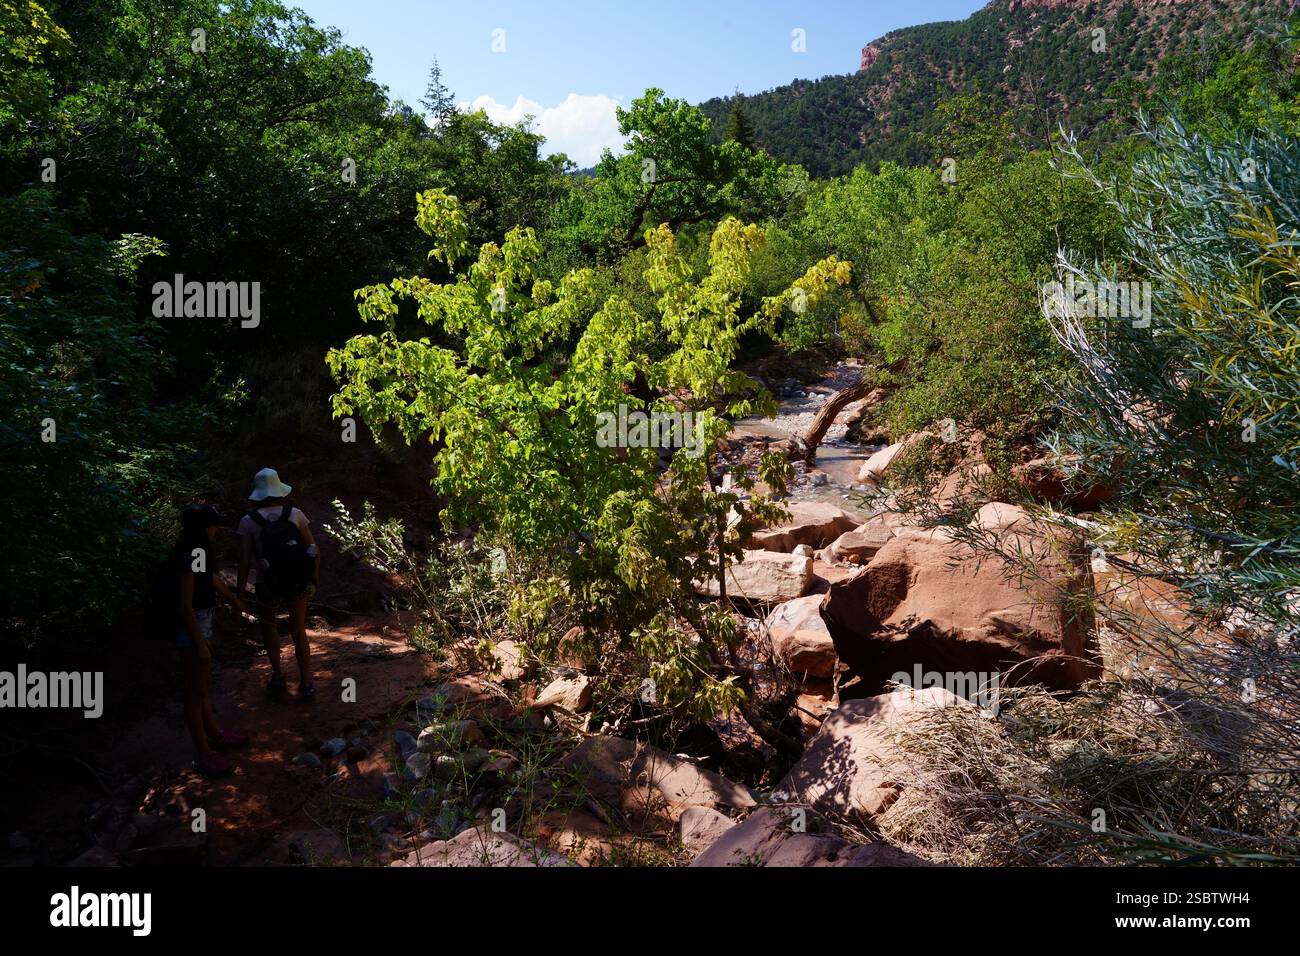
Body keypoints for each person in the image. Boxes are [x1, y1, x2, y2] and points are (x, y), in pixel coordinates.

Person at [175, 503, 248, 777]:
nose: (216, 529)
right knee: (194, 693)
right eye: (213, 525)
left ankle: (214, 735)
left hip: (201, 623)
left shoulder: (197, 552)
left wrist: (233, 599)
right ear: (204, 528)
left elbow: (210, 578)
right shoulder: (187, 555)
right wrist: (201, 644)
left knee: (203, 686)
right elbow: (184, 604)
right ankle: (203, 753)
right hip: (191, 628)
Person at [236, 468, 321, 701]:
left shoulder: (248, 522)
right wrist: (313, 578)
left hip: (266, 583)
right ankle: (306, 683)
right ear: (278, 489)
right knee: (298, 630)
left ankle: (278, 676)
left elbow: (244, 561)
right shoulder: (295, 514)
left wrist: (240, 592)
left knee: (269, 628)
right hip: (297, 581)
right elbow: (313, 549)